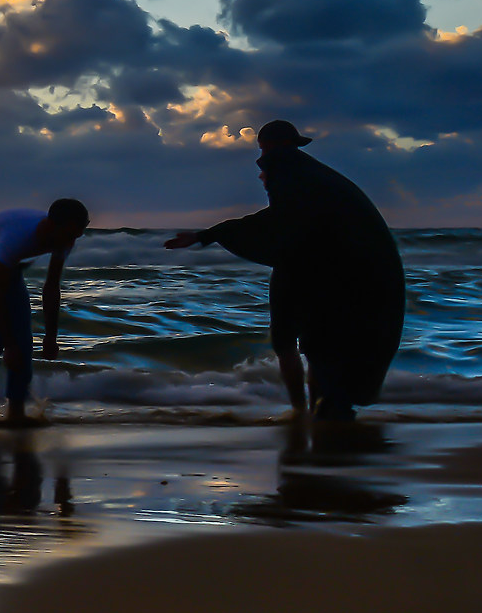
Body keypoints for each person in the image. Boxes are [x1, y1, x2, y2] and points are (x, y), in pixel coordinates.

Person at [165, 120, 404, 420]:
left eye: (263, 155)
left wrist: (207, 235)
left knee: (294, 343)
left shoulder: (287, 170)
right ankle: (320, 406)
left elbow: (279, 220)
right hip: (333, 267)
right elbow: (291, 220)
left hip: (309, 267)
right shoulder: (313, 173)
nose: (262, 172)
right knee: (317, 343)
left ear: (267, 146)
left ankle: (307, 410)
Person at [0, 198, 89, 428]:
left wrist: (51, 337)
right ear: (53, 225)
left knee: (24, 343)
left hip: (9, 269)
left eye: (77, 235)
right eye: (69, 233)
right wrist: (8, 345)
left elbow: (51, 287)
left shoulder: (66, 238)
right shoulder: (16, 238)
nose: (71, 241)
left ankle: (15, 412)